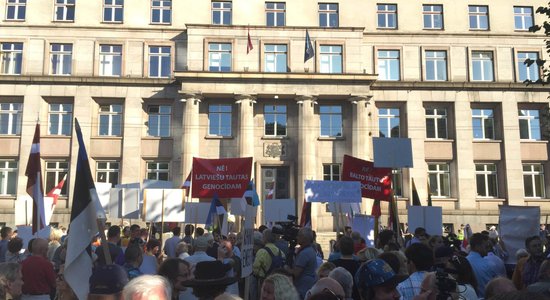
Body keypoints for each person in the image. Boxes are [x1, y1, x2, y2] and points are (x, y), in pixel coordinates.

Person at [284, 227, 318, 299]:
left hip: (302, 289)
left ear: (305, 238)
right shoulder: (310, 250)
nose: (297, 237)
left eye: (299, 235)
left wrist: (287, 269)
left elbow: (295, 273)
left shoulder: (305, 253)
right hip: (307, 287)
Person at [466, 233, 499, 298]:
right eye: (486, 247)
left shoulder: (464, 261)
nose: (488, 249)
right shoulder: (489, 264)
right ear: (477, 247)